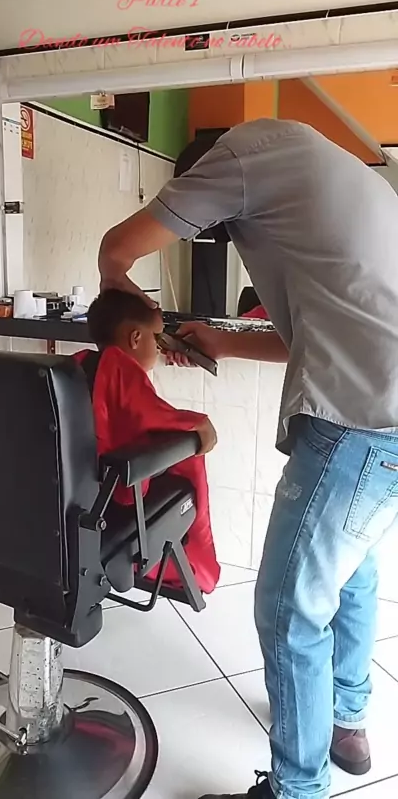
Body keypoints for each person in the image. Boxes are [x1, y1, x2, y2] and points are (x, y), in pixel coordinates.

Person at [97, 118, 398, 799]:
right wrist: (225, 343)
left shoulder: (242, 154)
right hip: (386, 415)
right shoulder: (324, 168)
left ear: (204, 179)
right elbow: (312, 334)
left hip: (359, 420)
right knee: (353, 572)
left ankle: (298, 790)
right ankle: (346, 720)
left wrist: (123, 288)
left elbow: (117, 249)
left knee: (290, 611)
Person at [74, 288, 221, 594]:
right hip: (114, 502)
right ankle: (195, 568)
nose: (159, 348)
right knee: (186, 464)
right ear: (136, 338)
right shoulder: (120, 367)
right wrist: (199, 424)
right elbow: (152, 415)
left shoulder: (78, 363)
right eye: (156, 339)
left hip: (79, 498)